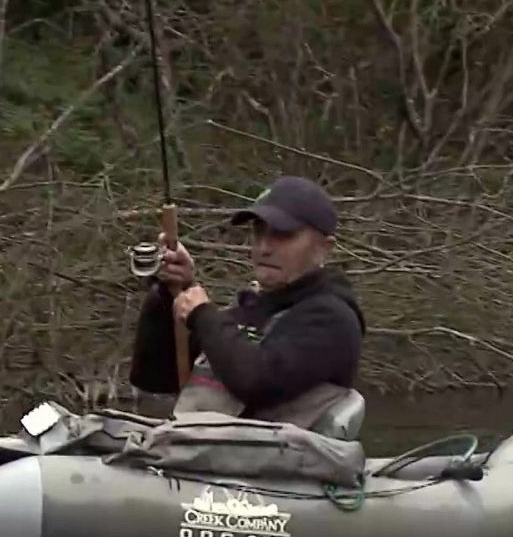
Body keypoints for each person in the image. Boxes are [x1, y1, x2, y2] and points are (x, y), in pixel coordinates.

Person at [129, 175, 366, 429]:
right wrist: (172, 292)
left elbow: (257, 381)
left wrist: (202, 314)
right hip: (199, 455)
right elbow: (153, 379)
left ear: (324, 247)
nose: (263, 248)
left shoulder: (332, 319)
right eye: (259, 232)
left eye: (282, 235)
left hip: (274, 465)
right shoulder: (249, 313)